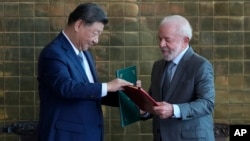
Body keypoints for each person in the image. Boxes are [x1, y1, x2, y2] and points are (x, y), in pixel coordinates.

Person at [37, 3, 133, 141]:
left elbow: (91, 93)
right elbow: (66, 88)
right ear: (79, 25)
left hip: (90, 133)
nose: (96, 41)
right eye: (95, 33)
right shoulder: (53, 53)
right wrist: (107, 86)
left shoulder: (85, 54)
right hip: (66, 136)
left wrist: (128, 93)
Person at [143, 15, 215, 141]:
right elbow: (154, 101)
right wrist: (144, 109)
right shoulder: (157, 66)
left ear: (185, 41)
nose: (161, 44)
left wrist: (174, 110)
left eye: (167, 40)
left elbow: (207, 103)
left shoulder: (201, 65)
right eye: (159, 39)